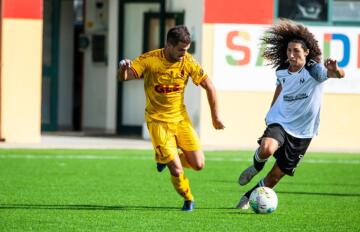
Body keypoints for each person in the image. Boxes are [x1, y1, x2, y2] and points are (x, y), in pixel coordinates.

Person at [236, 20, 345, 209]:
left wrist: (336, 70)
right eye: (289, 51)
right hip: (281, 121)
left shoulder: (314, 71)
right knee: (267, 149)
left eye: (296, 51)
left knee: (276, 176)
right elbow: (281, 88)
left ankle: (248, 197)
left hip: (303, 132)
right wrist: (271, 111)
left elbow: (337, 75)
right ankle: (256, 166)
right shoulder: (282, 72)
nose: (291, 55)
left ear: (306, 52)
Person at [118, 25, 225, 211]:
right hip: (157, 122)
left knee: (199, 164)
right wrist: (122, 68)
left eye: (187, 50)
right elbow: (125, 77)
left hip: (180, 119)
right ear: (168, 45)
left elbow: (209, 86)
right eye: (181, 50)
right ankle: (188, 198)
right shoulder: (150, 60)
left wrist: (215, 118)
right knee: (176, 169)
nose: (184, 53)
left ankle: (163, 157)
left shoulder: (188, 61)